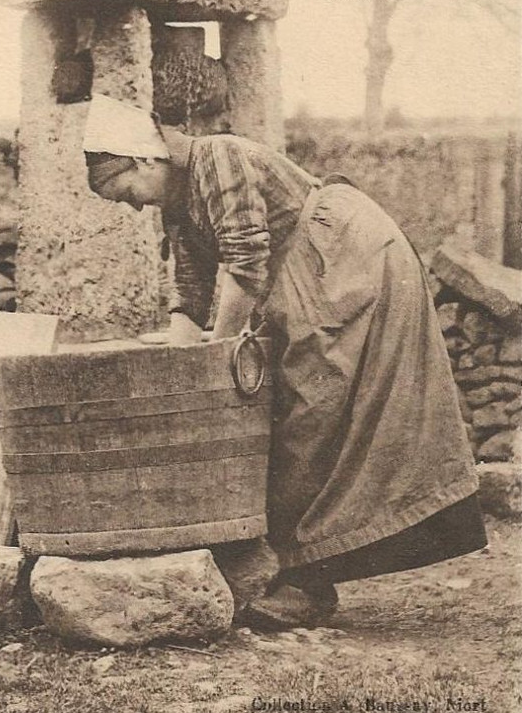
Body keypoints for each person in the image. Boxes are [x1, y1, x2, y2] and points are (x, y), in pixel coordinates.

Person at [83, 94, 487, 629]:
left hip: (347, 260)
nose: (133, 206)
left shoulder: (219, 157)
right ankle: (304, 576)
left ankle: (308, 584)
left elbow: (246, 262)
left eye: (125, 192)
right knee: (303, 411)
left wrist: (215, 353)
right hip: (308, 274)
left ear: (144, 160)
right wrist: (179, 351)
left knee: (315, 409)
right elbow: (191, 281)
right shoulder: (180, 196)